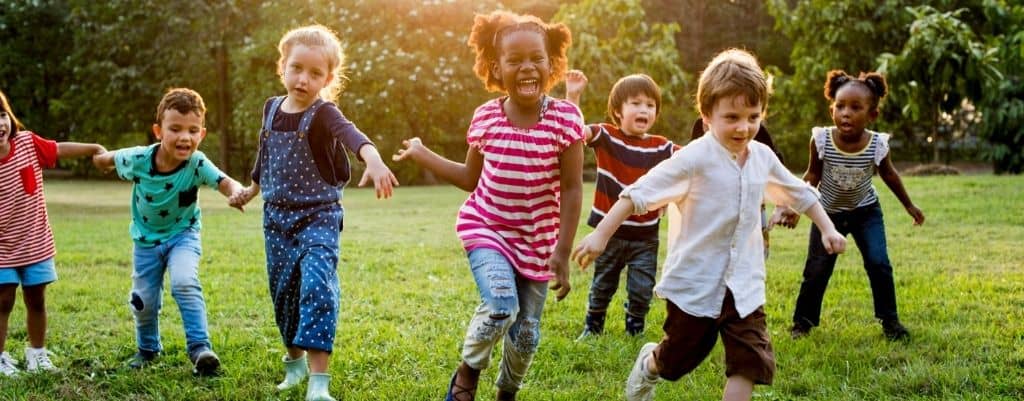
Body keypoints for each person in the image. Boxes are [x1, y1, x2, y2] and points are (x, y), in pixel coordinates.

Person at [571, 49, 847, 401]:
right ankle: (651, 363)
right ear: (706, 116)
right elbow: (636, 194)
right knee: (678, 359)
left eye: (753, 116)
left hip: (744, 283)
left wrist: (827, 228)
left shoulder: (762, 157)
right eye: (731, 117)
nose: (744, 127)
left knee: (749, 360)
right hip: (696, 282)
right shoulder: (693, 158)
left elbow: (799, 193)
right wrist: (600, 235)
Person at [393, 10, 582, 401]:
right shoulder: (486, 119)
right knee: (500, 307)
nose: (527, 67)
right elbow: (468, 178)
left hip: (538, 240)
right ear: (497, 68)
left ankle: (507, 392)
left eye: (537, 58)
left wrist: (562, 251)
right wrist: (422, 153)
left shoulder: (566, 119)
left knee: (527, 332)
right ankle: (468, 371)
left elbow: (572, 187)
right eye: (515, 61)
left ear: (551, 63)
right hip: (488, 229)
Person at [228, 24, 398, 401]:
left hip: (318, 216)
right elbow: (264, 157)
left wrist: (374, 158)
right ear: (283, 67)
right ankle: (295, 366)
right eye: (297, 68)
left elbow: (353, 135)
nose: (303, 79)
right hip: (276, 220)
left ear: (328, 79)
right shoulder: (271, 109)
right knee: (284, 293)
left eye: (315, 73)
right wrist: (249, 191)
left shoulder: (324, 113)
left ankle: (319, 384)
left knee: (317, 285)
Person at [92, 88, 243, 376]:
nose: (184, 137)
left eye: (192, 130)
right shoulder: (138, 159)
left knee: (185, 281)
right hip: (145, 242)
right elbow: (106, 159)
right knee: (143, 302)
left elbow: (225, 181)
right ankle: (148, 349)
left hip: (183, 236)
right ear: (158, 130)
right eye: (175, 129)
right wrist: (100, 160)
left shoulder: (197, 163)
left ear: (202, 134)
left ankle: (200, 348)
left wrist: (237, 193)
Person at [789, 70, 925, 341]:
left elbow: (889, 175)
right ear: (831, 111)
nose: (846, 113)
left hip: (866, 214)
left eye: (855, 107)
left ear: (872, 115)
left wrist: (909, 205)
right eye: (840, 107)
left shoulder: (877, 144)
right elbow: (812, 176)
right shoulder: (821, 140)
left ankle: (890, 322)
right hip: (827, 215)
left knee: (879, 263)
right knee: (816, 269)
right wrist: (795, 208)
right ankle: (802, 324)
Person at [564, 70, 679, 339]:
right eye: (636, 103)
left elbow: (694, 159)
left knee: (642, 287)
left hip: (645, 236)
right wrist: (573, 95)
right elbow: (572, 133)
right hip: (609, 235)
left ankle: (635, 328)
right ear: (618, 111)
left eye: (650, 105)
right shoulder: (606, 136)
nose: (644, 110)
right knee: (603, 284)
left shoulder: (661, 147)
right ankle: (593, 327)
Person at [0, 89, 106, 376]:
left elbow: (58, 149)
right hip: (2, 249)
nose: (0, 124)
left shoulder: (26, 143)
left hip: (35, 242)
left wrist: (93, 148)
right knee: (3, 300)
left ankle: (37, 354)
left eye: (1, 115)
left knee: (37, 299)